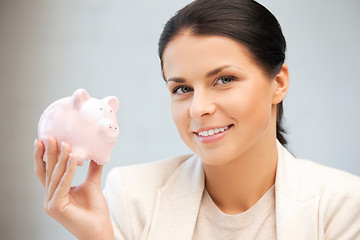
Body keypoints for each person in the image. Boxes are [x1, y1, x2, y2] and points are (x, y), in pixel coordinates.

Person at [33, 0, 360, 239]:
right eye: (182, 88)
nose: (198, 108)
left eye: (225, 79)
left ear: (279, 83)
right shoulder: (133, 196)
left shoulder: (343, 205)